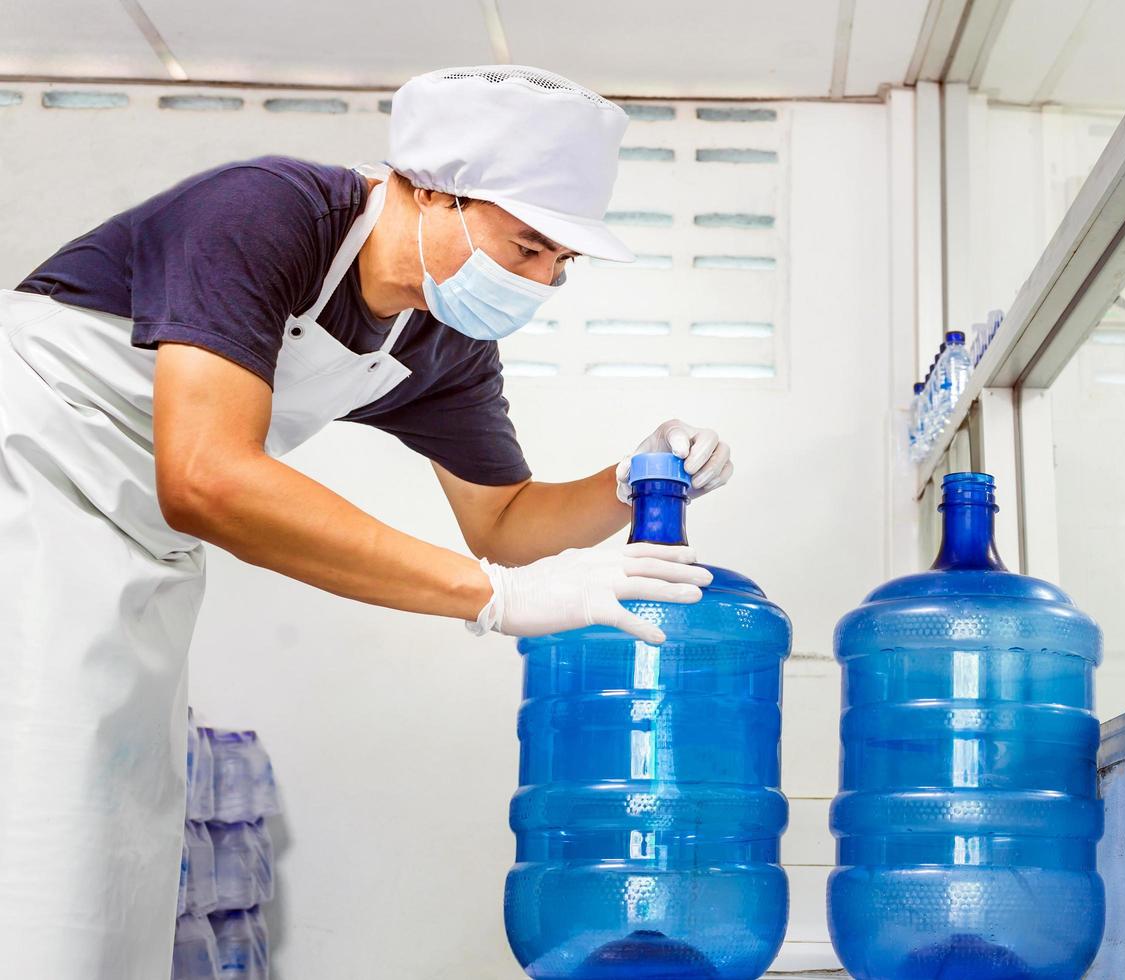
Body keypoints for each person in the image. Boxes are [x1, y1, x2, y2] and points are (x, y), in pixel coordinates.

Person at [0, 65, 731, 976]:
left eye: (561, 263)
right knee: (37, 835)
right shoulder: (267, 213)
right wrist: (495, 601)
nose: (542, 282)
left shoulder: (442, 342)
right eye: (526, 246)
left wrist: (628, 480)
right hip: (27, 477)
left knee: (118, 841)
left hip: (138, 541)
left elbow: (503, 521)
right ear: (429, 187)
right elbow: (207, 477)